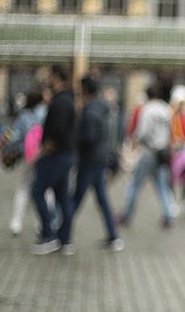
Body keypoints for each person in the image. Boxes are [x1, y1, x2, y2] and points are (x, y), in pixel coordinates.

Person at [68, 75, 123, 252]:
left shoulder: (91, 111)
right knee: (102, 198)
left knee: (76, 198)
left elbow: (88, 138)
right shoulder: (103, 108)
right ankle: (113, 235)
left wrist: (75, 139)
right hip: (100, 159)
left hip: (90, 160)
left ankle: (62, 234)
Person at [30, 65, 78, 255]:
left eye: (49, 76)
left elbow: (55, 133)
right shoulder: (68, 99)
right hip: (65, 156)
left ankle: (49, 234)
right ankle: (64, 239)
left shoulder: (60, 102)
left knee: (37, 191)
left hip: (56, 156)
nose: (47, 80)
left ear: (56, 76)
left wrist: (41, 153)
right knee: (62, 197)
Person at [119, 84, 175, 229]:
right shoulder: (166, 109)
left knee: (135, 185)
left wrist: (134, 142)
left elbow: (143, 131)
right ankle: (169, 214)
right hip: (162, 153)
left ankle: (127, 214)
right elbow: (171, 131)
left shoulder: (148, 109)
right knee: (162, 185)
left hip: (148, 153)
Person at [7, 90, 46, 236]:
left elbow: (15, 135)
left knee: (23, 187)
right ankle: (42, 222)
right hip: (43, 156)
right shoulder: (45, 112)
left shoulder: (24, 115)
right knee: (45, 190)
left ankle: (16, 222)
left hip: (28, 156)